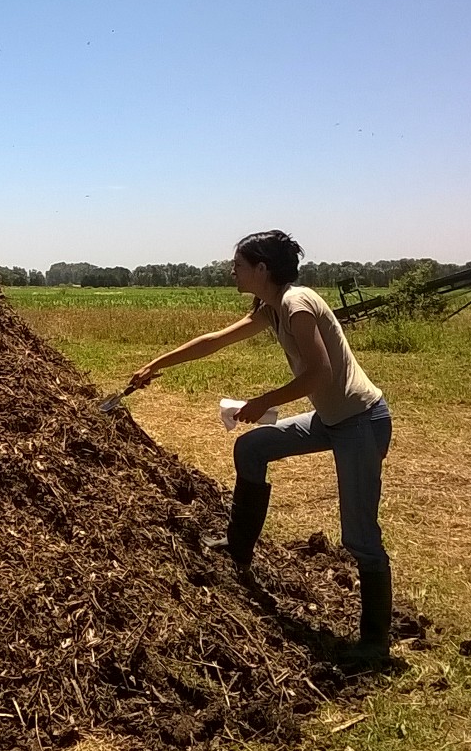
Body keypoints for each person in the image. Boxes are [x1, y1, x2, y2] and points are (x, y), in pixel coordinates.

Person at [128, 230, 394, 663]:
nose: (232, 270)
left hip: (361, 423)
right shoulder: (271, 308)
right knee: (251, 450)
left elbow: (320, 376)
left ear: (262, 269)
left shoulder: (296, 304)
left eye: (239, 264)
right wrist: (155, 365)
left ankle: (374, 642)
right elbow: (215, 341)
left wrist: (261, 403)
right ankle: (238, 547)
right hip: (331, 420)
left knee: (360, 536)